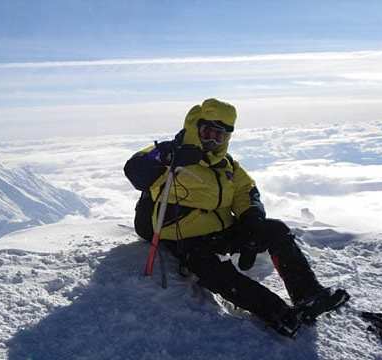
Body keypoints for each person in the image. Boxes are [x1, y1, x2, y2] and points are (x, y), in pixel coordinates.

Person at [123, 98, 349, 337]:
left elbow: (246, 192)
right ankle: (277, 312)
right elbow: (134, 168)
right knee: (216, 272)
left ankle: (308, 295)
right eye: (207, 131)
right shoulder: (172, 152)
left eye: (218, 136)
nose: (211, 140)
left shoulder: (227, 165)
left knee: (275, 230)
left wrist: (252, 219)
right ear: (196, 127)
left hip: (222, 230)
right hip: (183, 235)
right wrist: (168, 156)